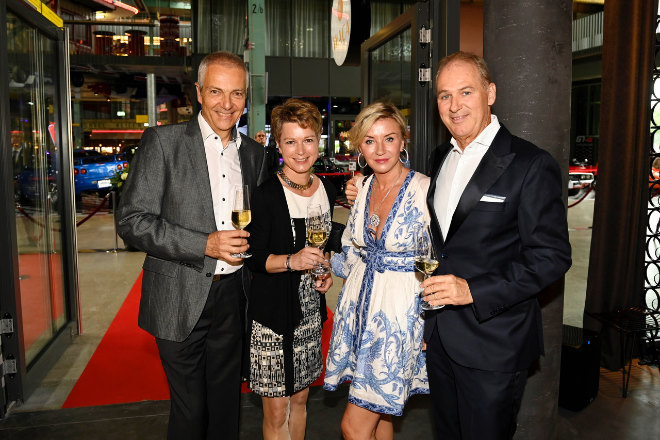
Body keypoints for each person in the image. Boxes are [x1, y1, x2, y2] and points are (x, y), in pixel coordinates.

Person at [116, 51, 277, 440]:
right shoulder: (163, 142)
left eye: (236, 93)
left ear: (245, 97)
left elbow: (273, 216)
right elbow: (132, 221)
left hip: (234, 298)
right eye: (217, 92)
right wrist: (204, 243)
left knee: (226, 407)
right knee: (190, 411)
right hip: (178, 294)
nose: (227, 103)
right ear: (199, 94)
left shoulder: (255, 156)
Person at [420, 52, 572, 439]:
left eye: (465, 92)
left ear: (490, 93)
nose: (454, 106)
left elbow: (551, 257)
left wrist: (472, 290)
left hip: (494, 342)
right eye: (444, 96)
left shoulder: (529, 164)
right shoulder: (440, 158)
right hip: (440, 337)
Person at [324, 101, 430, 440]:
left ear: (403, 141)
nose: (380, 149)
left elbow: (439, 261)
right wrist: (328, 265)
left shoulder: (426, 191)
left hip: (398, 319)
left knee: (353, 427)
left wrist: (434, 321)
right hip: (359, 312)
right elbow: (354, 252)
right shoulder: (362, 188)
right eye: (370, 140)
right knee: (382, 419)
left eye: (389, 138)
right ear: (359, 146)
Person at [245, 98, 336, 439]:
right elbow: (252, 257)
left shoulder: (325, 189)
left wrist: (322, 270)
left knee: (300, 400)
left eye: (308, 139)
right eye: (291, 141)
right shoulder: (266, 194)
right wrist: (292, 261)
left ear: (318, 141)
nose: (301, 150)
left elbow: (322, 246)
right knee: (277, 409)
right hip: (271, 318)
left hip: (309, 314)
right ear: (279, 145)